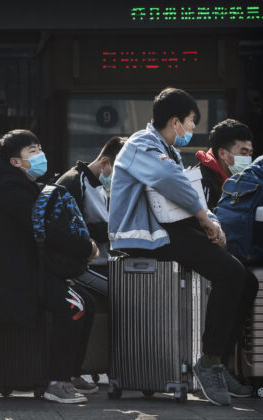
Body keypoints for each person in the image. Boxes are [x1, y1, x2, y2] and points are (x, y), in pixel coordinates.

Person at [108, 87, 259, 405]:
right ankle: (209, 363)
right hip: (146, 237)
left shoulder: (161, 146)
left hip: (164, 232)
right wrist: (207, 221)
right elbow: (171, 182)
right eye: (191, 122)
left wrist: (209, 223)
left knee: (246, 280)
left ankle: (218, 365)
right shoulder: (141, 145)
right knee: (231, 273)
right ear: (174, 121)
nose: (192, 129)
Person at [0, 129, 99, 404]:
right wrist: (84, 246)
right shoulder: (11, 189)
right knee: (73, 306)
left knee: (86, 301)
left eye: (40, 148)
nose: (40, 155)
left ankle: (70, 372)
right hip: (12, 282)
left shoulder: (20, 185)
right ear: (15, 161)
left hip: (27, 273)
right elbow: (43, 231)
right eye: (32, 151)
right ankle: (57, 382)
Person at [56, 136, 126, 275]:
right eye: (119, 173)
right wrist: (114, 229)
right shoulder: (74, 182)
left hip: (102, 263)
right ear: (105, 162)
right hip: (84, 268)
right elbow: (72, 230)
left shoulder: (98, 184)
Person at [193, 119, 254, 209]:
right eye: (243, 153)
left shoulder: (248, 181)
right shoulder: (201, 182)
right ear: (222, 154)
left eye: (250, 154)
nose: (248, 159)